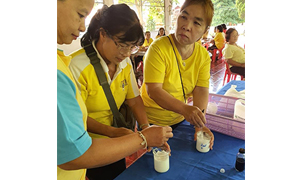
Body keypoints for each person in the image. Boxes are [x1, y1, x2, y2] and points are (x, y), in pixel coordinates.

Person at [57, 1, 173, 180]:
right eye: (121, 44)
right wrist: (114, 133)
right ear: (103, 34)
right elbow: (77, 120)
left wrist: (145, 128)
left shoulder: (124, 62)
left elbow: (134, 100)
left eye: (132, 47)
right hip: (91, 144)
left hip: (118, 140)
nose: (126, 53)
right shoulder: (76, 66)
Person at [140, 0, 215, 150]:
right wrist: (186, 109)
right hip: (153, 121)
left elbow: (201, 89)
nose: (186, 26)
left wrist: (199, 126)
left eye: (196, 23)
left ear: (205, 30)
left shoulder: (203, 56)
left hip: (180, 119)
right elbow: (154, 90)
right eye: (184, 17)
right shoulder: (158, 49)